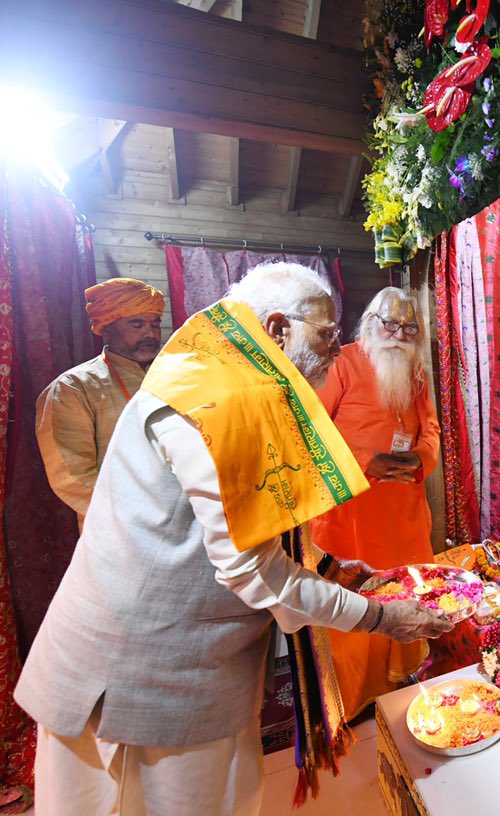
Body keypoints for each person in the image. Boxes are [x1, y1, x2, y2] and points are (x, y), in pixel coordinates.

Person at [14, 263, 452, 816]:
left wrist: (345, 572)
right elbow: (252, 569)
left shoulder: (226, 380)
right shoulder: (218, 401)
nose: (337, 351)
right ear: (276, 328)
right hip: (145, 680)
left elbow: (264, 529)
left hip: (174, 670)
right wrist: (379, 618)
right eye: (325, 334)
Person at [310, 286, 440, 719]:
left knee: (406, 593)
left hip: (403, 514)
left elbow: (431, 431)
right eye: (390, 324)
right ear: (370, 322)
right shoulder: (341, 362)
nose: (399, 334)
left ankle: (401, 680)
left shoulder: (416, 371)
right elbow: (312, 434)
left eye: (409, 327)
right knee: (357, 606)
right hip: (351, 520)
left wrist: (419, 459)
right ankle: (352, 701)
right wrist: (368, 462)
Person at [35, 277, 165, 524]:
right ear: (106, 329)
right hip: (120, 528)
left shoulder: (171, 375)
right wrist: (142, 514)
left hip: (184, 521)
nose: (150, 333)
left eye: (155, 324)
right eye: (137, 325)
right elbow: (72, 477)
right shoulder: (73, 388)